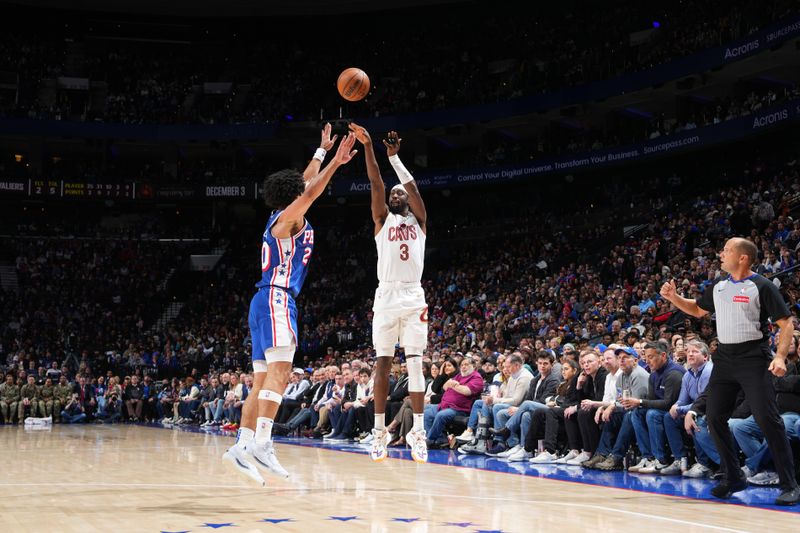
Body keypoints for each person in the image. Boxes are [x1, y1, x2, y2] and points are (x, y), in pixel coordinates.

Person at [222, 125, 357, 486]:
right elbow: (312, 189)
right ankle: (264, 441)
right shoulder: (290, 218)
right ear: (294, 197)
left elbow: (305, 182)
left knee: (261, 380)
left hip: (262, 300)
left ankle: (243, 442)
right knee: (281, 374)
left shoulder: (279, 215)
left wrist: (321, 152)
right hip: (277, 297)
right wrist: (337, 163)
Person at [660, 237, 800, 505]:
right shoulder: (719, 285)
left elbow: (786, 324)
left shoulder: (762, 285)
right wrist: (674, 297)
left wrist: (780, 356)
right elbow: (698, 310)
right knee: (713, 417)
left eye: (726, 250)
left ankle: (789, 483)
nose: (720, 254)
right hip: (724, 356)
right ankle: (733, 477)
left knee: (768, 419)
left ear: (743, 257)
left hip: (754, 358)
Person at [349, 123, 430, 463]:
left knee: (415, 365)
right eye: (393, 194)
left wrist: (395, 158)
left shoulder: (420, 221)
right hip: (385, 297)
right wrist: (369, 148)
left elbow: (411, 187)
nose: (396, 196)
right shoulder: (382, 220)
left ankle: (419, 431)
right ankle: (380, 430)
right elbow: (376, 183)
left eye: (401, 194)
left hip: (413, 298)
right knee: (382, 363)